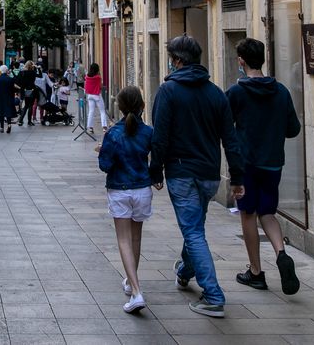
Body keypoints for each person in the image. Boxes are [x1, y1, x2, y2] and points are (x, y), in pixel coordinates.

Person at [149, 35, 246, 318]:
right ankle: (185, 270)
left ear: (177, 61)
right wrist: (237, 177)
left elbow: (160, 136)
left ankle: (213, 295)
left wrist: (155, 170)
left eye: (171, 58)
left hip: (181, 173)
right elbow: (231, 139)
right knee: (195, 227)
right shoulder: (216, 93)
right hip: (209, 175)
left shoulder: (168, 91)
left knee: (192, 231)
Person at [227, 38, 302, 296]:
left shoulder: (236, 93)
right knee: (268, 213)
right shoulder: (281, 91)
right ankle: (281, 252)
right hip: (273, 163)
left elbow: (223, 125)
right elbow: (293, 129)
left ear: (241, 61)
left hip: (246, 164)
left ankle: (256, 272)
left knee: (247, 213)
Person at [98, 86, 158, 314]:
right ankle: (130, 281)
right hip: (142, 188)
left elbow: (105, 165)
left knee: (123, 240)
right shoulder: (148, 132)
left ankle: (136, 290)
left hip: (120, 190)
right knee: (135, 238)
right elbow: (155, 157)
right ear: (142, 107)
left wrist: (102, 151)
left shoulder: (112, 134)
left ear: (121, 108)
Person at [84, 63, 109, 135]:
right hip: (97, 96)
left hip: (90, 96)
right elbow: (100, 86)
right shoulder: (98, 77)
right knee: (102, 111)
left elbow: (86, 86)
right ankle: (104, 127)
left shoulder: (87, 77)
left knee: (91, 111)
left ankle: (90, 127)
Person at [0, 65, 18, 134]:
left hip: (0, 97)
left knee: (1, 112)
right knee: (8, 112)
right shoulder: (10, 79)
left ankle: (1, 127)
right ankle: (9, 124)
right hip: (9, 97)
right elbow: (13, 89)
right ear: (6, 70)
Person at [15, 60, 39, 126]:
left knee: (26, 106)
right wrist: (37, 67)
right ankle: (29, 121)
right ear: (32, 66)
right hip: (32, 90)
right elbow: (40, 75)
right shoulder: (33, 72)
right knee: (30, 105)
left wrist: (21, 88)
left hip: (24, 91)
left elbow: (17, 82)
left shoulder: (22, 72)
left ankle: (20, 120)